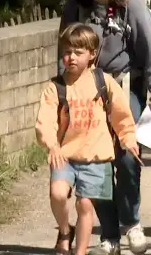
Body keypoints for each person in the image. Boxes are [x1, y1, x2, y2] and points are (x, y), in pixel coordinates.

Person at [58, 0, 151, 255]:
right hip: (87, 91)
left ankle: (131, 222)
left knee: (127, 157)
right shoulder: (76, 7)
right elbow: (64, 51)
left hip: (124, 88)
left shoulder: (130, 6)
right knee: (97, 162)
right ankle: (110, 235)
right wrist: (63, 92)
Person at [36, 23, 140, 255]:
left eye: (78, 52)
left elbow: (121, 113)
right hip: (65, 154)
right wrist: (51, 144)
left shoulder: (103, 82)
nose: (71, 57)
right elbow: (45, 121)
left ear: (92, 54)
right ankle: (65, 231)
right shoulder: (56, 87)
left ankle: (80, 251)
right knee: (58, 194)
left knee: (85, 205)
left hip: (96, 157)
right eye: (67, 52)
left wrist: (128, 137)